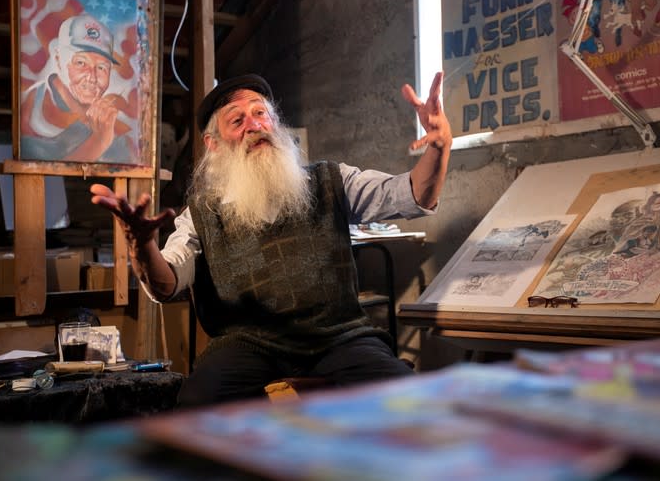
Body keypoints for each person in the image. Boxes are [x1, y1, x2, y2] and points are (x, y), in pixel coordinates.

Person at [90, 72, 452, 406]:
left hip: (339, 337)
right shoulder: (201, 215)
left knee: (409, 398)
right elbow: (166, 283)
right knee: (195, 406)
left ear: (275, 124)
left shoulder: (330, 181)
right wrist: (142, 246)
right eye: (238, 120)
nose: (254, 126)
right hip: (249, 344)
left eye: (261, 114)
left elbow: (411, 194)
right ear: (213, 144)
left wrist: (439, 148)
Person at [20, 14, 137, 164]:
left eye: (102, 67)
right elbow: (45, 173)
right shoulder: (32, 109)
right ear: (58, 59)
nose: (93, 77)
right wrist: (99, 142)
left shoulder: (113, 125)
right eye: (81, 63)